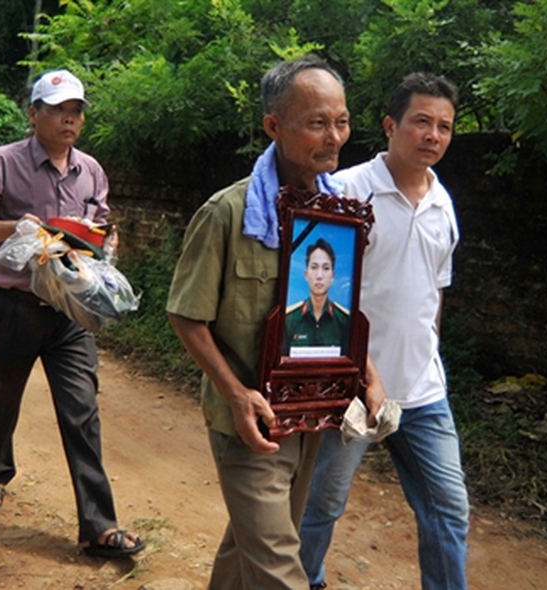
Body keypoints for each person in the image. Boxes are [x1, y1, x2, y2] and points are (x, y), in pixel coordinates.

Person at [166, 55, 385, 589]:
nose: (333, 137)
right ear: (273, 126)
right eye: (316, 123)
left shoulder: (336, 215)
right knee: (280, 567)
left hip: (310, 418)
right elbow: (186, 314)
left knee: (249, 549)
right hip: (250, 424)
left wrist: (368, 373)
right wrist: (236, 394)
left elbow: (340, 313)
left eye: (341, 121)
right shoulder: (229, 213)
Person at [0, 69, 145, 559]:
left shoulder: (91, 170)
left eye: (76, 111)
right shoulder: (1, 163)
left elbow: (101, 224)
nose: (69, 119)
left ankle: (99, 526)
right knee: (2, 399)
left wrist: (105, 241)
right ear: (33, 113)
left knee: (82, 412)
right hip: (11, 306)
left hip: (70, 315)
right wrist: (15, 227)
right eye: (58, 110)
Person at [299, 72, 469, 590]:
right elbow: (320, 290)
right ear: (390, 126)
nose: (433, 136)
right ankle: (302, 581)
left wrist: (428, 353)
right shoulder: (346, 192)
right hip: (350, 387)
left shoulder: (443, 204)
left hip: (423, 390)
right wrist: (354, 372)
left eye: (444, 127)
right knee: (322, 504)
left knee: (449, 508)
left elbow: (433, 294)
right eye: (421, 122)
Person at [283, 237, 350, 357]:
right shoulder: (289, 319)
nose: (319, 275)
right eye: (314, 267)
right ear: (306, 274)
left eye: (326, 268)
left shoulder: (344, 320)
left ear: (333, 276)